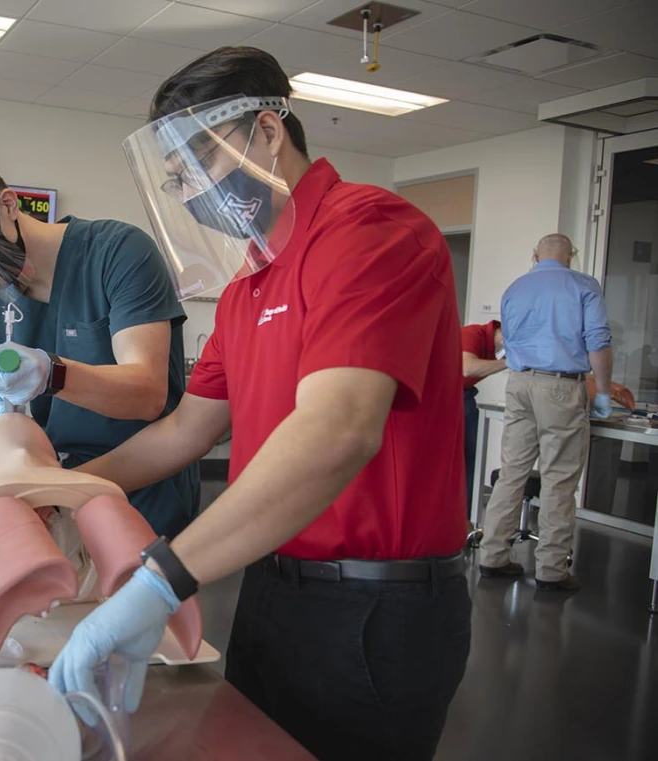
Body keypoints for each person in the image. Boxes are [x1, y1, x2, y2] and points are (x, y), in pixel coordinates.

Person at [47, 47, 470, 761]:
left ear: (269, 133)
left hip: (375, 604)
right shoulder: (249, 284)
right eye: (175, 180)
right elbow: (185, 428)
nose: (189, 196)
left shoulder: (369, 233)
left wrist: (162, 579)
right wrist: (64, 488)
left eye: (197, 168)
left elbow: (337, 432)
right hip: (272, 583)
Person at [0, 151, 199, 538]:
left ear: (7, 204)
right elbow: (0, 429)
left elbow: (146, 394)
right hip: (48, 510)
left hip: (142, 505)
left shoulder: (117, 254)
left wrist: (51, 373)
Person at [478, 234, 613, 592]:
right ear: (571, 256)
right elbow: (598, 341)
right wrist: (603, 390)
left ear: (535, 255)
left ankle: (492, 557)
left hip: (519, 384)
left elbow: (507, 342)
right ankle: (552, 570)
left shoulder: (515, 288)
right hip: (561, 387)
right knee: (559, 479)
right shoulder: (584, 285)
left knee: (511, 473)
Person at [462, 320, 505, 514]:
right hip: (443, 395)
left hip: (465, 394)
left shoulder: (498, 349)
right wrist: (510, 362)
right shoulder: (474, 335)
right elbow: (468, 368)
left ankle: (467, 517)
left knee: (473, 455)